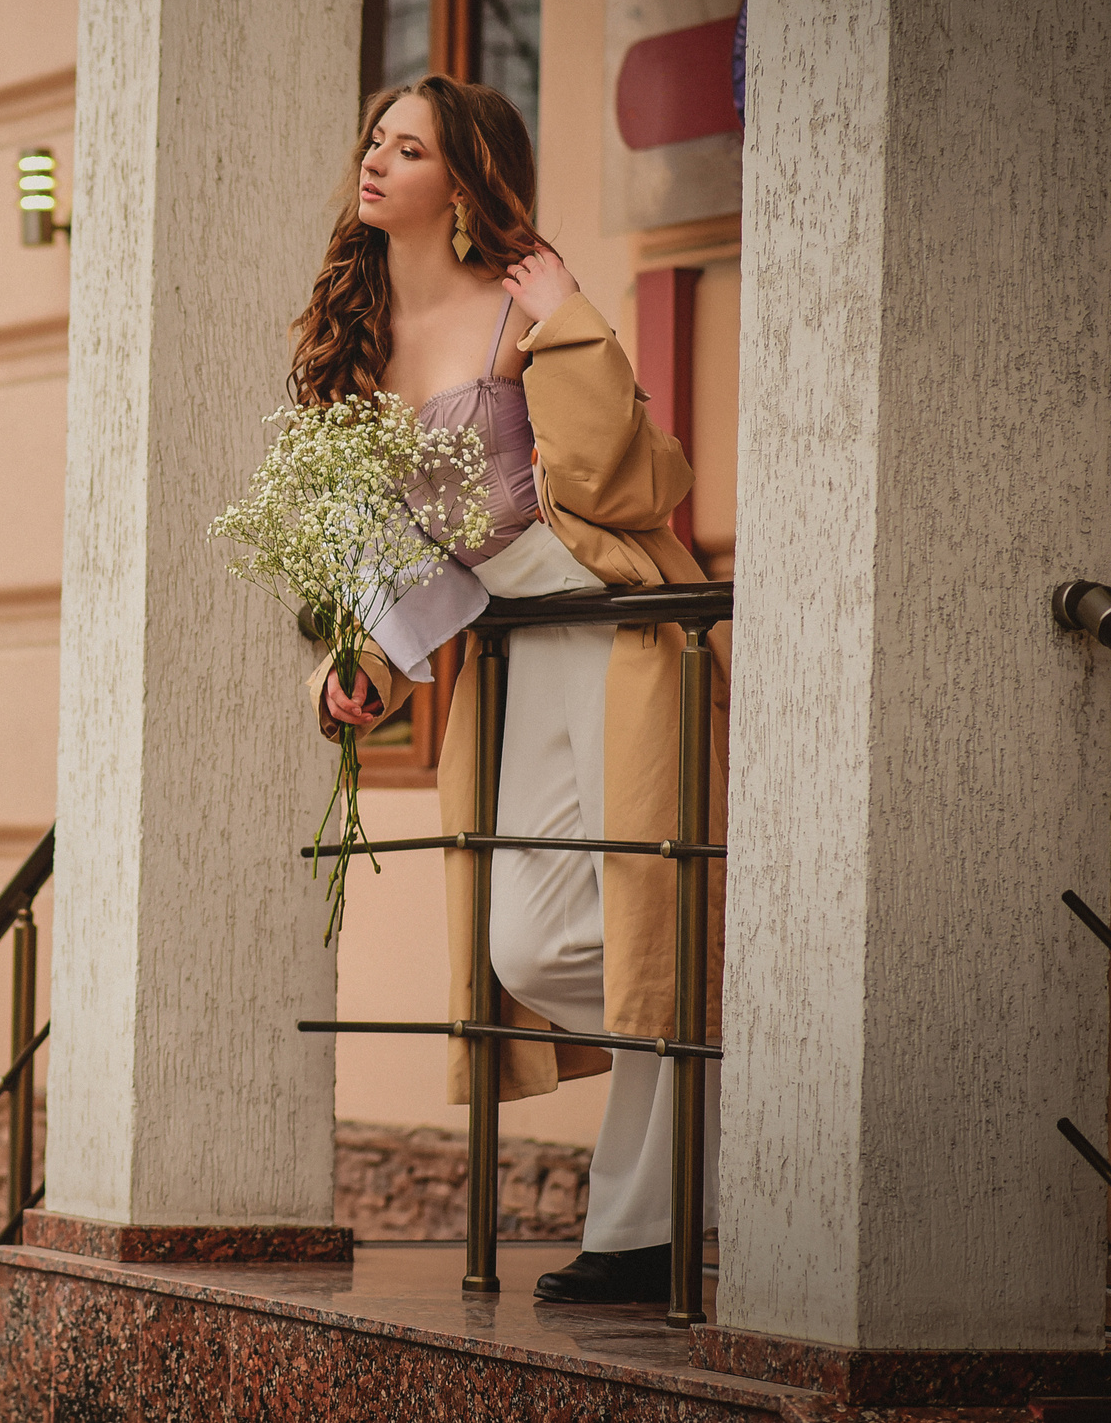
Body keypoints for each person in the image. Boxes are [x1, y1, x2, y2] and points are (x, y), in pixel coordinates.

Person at [292, 74, 728, 1306]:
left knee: (654, 922)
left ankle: (639, 1235)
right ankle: (762, 1009)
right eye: (373, 136)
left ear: (463, 180)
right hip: (518, 652)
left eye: (409, 145)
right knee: (530, 943)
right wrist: (359, 661)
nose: (375, 159)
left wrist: (574, 317)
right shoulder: (358, 343)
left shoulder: (523, 305)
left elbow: (635, 483)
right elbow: (396, 555)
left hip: (626, 630)